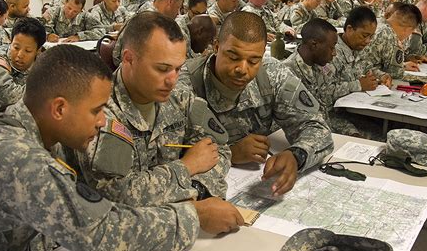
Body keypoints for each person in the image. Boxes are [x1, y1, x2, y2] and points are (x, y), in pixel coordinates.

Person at [0, 44, 244, 251]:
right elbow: (104, 234)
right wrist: (195, 216)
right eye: (96, 110)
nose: (102, 121)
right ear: (59, 109)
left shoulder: (37, 134)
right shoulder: (18, 158)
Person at [73, 12, 239, 218]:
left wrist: (198, 189)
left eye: (178, 69)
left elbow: (219, 151)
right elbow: (116, 195)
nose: (172, 80)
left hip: (179, 221)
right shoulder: (100, 113)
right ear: (128, 59)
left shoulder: (179, 99)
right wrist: (187, 167)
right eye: (162, 69)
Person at [179, 11, 333, 197]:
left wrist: (296, 155)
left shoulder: (272, 74)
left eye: (253, 61)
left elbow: (317, 127)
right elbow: (164, 156)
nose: (242, 69)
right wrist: (229, 153)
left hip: (254, 182)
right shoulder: (182, 84)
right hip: (205, 193)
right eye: (233, 57)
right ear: (216, 47)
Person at [325, 7, 381, 136]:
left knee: (384, 128)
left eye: (371, 36)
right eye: (365, 35)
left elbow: (367, 67)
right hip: (331, 113)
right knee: (369, 137)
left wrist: (381, 76)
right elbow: (326, 91)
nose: (368, 41)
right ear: (349, 29)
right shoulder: (331, 51)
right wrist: (358, 85)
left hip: (354, 109)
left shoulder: (359, 46)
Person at [282, 18, 337, 122]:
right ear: (314, 45)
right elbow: (289, 122)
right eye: (332, 47)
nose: (334, 53)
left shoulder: (320, 65)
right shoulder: (287, 73)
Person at [0, 17, 45, 105]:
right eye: (16, 47)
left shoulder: (45, 61)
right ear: (11, 41)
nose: (20, 55)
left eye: (28, 51)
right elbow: (11, 97)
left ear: (38, 50)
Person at [360, 3, 422, 79]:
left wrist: (403, 65)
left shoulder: (377, 22)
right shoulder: (390, 36)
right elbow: (395, 73)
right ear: (407, 29)